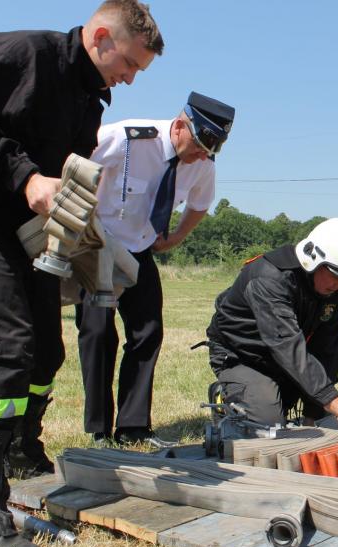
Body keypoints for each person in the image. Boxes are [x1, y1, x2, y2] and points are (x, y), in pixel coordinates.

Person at [0, 2, 162, 547]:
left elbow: (66, 171)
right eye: (130, 64)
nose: (130, 78)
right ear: (102, 36)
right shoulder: (18, 52)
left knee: (45, 350)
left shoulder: (90, 95)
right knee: (2, 346)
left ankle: (16, 450)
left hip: (32, 227)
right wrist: (25, 177)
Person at [75, 92, 235, 448]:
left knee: (147, 333)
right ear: (180, 126)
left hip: (140, 248)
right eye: (197, 145)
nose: (201, 156)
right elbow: (77, 165)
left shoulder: (202, 162)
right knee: (98, 333)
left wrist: (177, 237)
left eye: (209, 150)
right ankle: (100, 428)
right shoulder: (128, 138)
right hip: (98, 243)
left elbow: (199, 204)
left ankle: (133, 426)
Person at [206, 218, 338, 439]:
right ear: (313, 260)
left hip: (283, 351)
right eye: (336, 276)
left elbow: (327, 347)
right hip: (244, 356)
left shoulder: (335, 289)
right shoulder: (270, 278)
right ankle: (227, 395)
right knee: (268, 425)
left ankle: (279, 395)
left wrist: (313, 417)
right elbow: (288, 347)